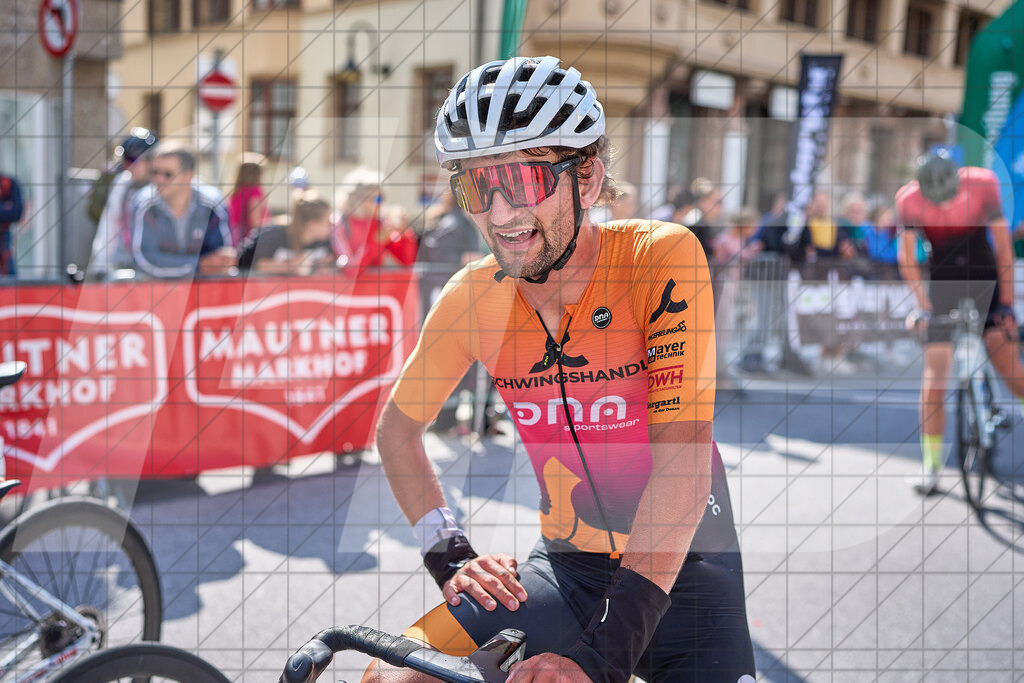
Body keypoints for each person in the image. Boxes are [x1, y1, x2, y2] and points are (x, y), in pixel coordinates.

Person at [365, 55, 755, 682]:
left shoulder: (659, 258)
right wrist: (450, 555)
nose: (497, 214)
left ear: (589, 179)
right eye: (475, 185)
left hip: (684, 569)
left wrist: (600, 664)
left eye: (520, 180)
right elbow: (397, 432)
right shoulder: (473, 296)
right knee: (389, 676)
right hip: (566, 567)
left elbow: (683, 463)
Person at [896, 154, 1024, 494]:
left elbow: (1004, 250)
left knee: (1009, 367)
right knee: (935, 376)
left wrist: (1007, 304)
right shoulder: (907, 199)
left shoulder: (983, 183)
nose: (946, 202)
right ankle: (932, 466)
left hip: (986, 278)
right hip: (943, 284)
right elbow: (907, 260)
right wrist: (923, 307)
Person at [132, 142, 236, 278]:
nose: (158, 179)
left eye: (168, 174)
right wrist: (198, 266)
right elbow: (145, 261)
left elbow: (220, 257)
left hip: (202, 291)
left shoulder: (212, 204)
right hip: (155, 290)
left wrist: (208, 265)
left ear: (188, 176)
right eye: (154, 172)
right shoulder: (144, 204)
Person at [89, 128, 158, 275]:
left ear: (152, 160)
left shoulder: (165, 188)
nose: (128, 166)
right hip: (126, 264)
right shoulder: (124, 183)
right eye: (125, 160)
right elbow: (110, 223)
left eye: (133, 160)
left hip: (157, 265)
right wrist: (101, 265)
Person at [333, 168, 418, 271]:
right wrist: (376, 241)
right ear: (358, 200)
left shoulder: (380, 223)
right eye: (377, 199)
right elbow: (351, 270)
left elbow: (406, 262)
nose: (381, 204)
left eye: (382, 198)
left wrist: (404, 232)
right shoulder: (340, 223)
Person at [237, 190, 334, 275]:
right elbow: (247, 262)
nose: (331, 226)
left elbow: (328, 264)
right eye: (327, 223)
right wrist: (288, 266)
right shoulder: (273, 235)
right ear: (312, 224)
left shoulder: (325, 242)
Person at [226, 152, 269, 246]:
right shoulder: (254, 192)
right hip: (248, 240)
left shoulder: (236, 191)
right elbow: (255, 223)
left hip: (234, 238)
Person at [0, 171, 25, 277]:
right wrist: (5, 208)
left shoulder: (9, 183)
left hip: (3, 236)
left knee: (10, 278)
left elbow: (17, 213)